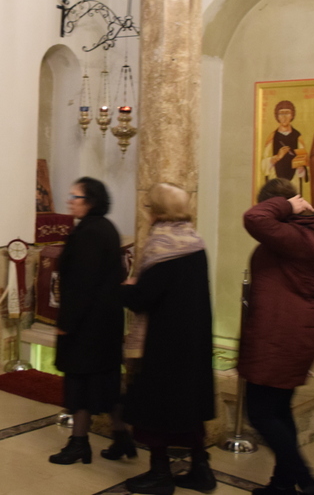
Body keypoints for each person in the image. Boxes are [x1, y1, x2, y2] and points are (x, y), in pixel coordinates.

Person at [239, 178, 314, 495]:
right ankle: (283, 483)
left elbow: (253, 218)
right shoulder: (302, 235)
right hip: (290, 328)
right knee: (279, 409)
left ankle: (308, 482)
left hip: (279, 331)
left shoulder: (295, 236)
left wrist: (287, 205)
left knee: (260, 412)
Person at [118, 183, 216, 495]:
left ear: (157, 211)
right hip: (193, 339)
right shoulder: (195, 241)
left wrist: (126, 288)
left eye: (149, 206)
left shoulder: (161, 245)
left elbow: (144, 298)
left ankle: (160, 473)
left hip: (164, 342)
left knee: (156, 408)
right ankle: (201, 468)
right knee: (187, 407)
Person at [48, 176, 125, 466]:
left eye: (75, 197)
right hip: (105, 321)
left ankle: (79, 443)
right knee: (104, 380)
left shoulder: (89, 233)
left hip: (87, 325)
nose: (69, 201)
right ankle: (122, 437)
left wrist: (66, 322)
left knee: (80, 382)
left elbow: (82, 284)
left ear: (91, 201)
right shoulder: (105, 227)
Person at [261, 100, 308, 188]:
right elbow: (263, 164)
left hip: (293, 182)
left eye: (287, 113)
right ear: (277, 116)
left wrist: (301, 166)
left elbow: (303, 165)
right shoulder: (272, 137)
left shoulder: (297, 137)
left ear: (292, 115)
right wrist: (277, 157)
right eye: (281, 113)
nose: (284, 117)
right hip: (275, 180)